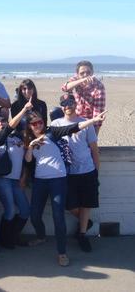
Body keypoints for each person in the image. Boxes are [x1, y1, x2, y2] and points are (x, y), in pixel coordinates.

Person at [24, 109, 106, 266]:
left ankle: (62, 253)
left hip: (58, 180)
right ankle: (41, 237)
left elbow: (74, 127)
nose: (39, 125)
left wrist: (93, 120)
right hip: (40, 181)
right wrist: (31, 146)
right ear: (29, 126)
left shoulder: (52, 132)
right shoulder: (29, 140)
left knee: (58, 217)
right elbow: (28, 160)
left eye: (41, 122)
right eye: (34, 123)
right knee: (34, 215)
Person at [51, 94, 100, 252]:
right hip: (66, 172)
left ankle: (82, 233)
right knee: (70, 205)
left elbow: (94, 149)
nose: (68, 105)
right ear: (61, 106)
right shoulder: (56, 123)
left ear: (75, 103)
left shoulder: (85, 123)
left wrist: (96, 172)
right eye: (64, 103)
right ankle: (85, 222)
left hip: (87, 170)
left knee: (86, 204)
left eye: (71, 102)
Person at [0, 100, 33, 249]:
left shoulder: (17, 138)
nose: (1, 124)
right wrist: (23, 109)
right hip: (3, 180)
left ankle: (13, 237)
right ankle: (4, 240)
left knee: (25, 211)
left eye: (3, 121)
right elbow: (8, 129)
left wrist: (23, 177)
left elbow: (26, 160)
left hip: (16, 181)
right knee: (9, 211)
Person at [61, 60, 106, 135]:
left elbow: (98, 113)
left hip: (87, 120)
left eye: (88, 72)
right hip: (72, 115)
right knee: (55, 112)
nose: (85, 75)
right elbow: (64, 88)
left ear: (92, 73)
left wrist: (94, 137)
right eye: (82, 73)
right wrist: (81, 81)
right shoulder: (75, 80)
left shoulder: (99, 86)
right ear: (77, 74)